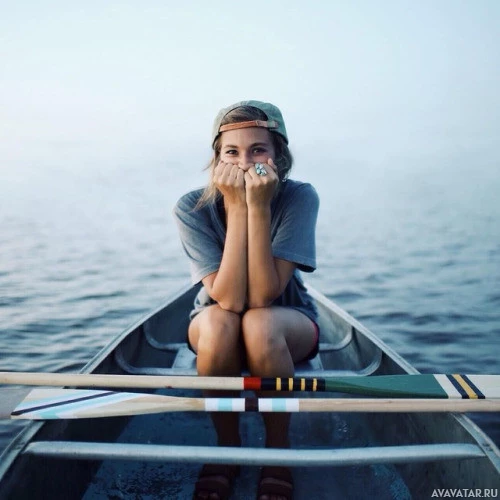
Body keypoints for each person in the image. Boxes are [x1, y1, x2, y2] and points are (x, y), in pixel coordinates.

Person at [174, 100, 320, 500]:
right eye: (231, 152)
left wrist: (256, 205)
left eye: (258, 150)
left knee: (259, 321)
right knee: (223, 321)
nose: (244, 163)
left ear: (279, 157)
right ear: (217, 159)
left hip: (286, 319)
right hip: (214, 316)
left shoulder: (299, 198)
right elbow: (228, 300)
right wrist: (236, 206)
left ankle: (277, 452)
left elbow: (260, 297)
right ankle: (226, 447)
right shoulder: (192, 207)